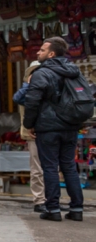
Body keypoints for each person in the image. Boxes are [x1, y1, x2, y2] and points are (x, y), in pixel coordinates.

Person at [23, 37, 85, 222]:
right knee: (69, 166)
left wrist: (29, 124)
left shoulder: (42, 73)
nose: (38, 52)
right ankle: (77, 209)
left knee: (49, 167)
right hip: (70, 126)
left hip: (48, 127)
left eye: (42, 50)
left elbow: (32, 101)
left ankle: (53, 209)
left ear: (51, 54)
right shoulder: (74, 71)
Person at [13, 61, 46, 213]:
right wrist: (28, 84)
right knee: (37, 169)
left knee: (51, 168)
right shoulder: (27, 90)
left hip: (49, 131)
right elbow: (18, 98)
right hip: (34, 133)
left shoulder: (49, 87)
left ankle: (51, 199)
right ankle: (40, 200)